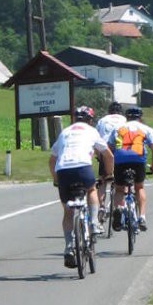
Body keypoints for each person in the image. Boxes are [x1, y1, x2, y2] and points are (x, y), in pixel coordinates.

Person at [49, 105, 114, 269]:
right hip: (83, 167)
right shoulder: (92, 131)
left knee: (68, 212)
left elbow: (51, 159)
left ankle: (69, 247)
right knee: (91, 189)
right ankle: (93, 222)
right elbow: (108, 155)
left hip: (63, 170)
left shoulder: (65, 132)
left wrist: (56, 179)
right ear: (90, 120)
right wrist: (109, 173)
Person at [108, 106, 153, 232]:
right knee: (139, 187)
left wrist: (111, 164)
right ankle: (142, 217)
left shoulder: (118, 128)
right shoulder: (147, 129)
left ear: (127, 117)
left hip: (120, 160)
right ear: (140, 117)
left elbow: (108, 148)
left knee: (120, 189)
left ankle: (119, 209)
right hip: (138, 161)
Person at [95, 101, 126, 219]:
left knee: (102, 181)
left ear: (109, 111)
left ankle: (102, 207)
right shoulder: (124, 120)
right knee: (122, 183)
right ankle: (120, 206)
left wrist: (99, 156)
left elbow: (96, 138)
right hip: (120, 151)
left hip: (105, 151)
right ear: (120, 111)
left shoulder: (102, 120)